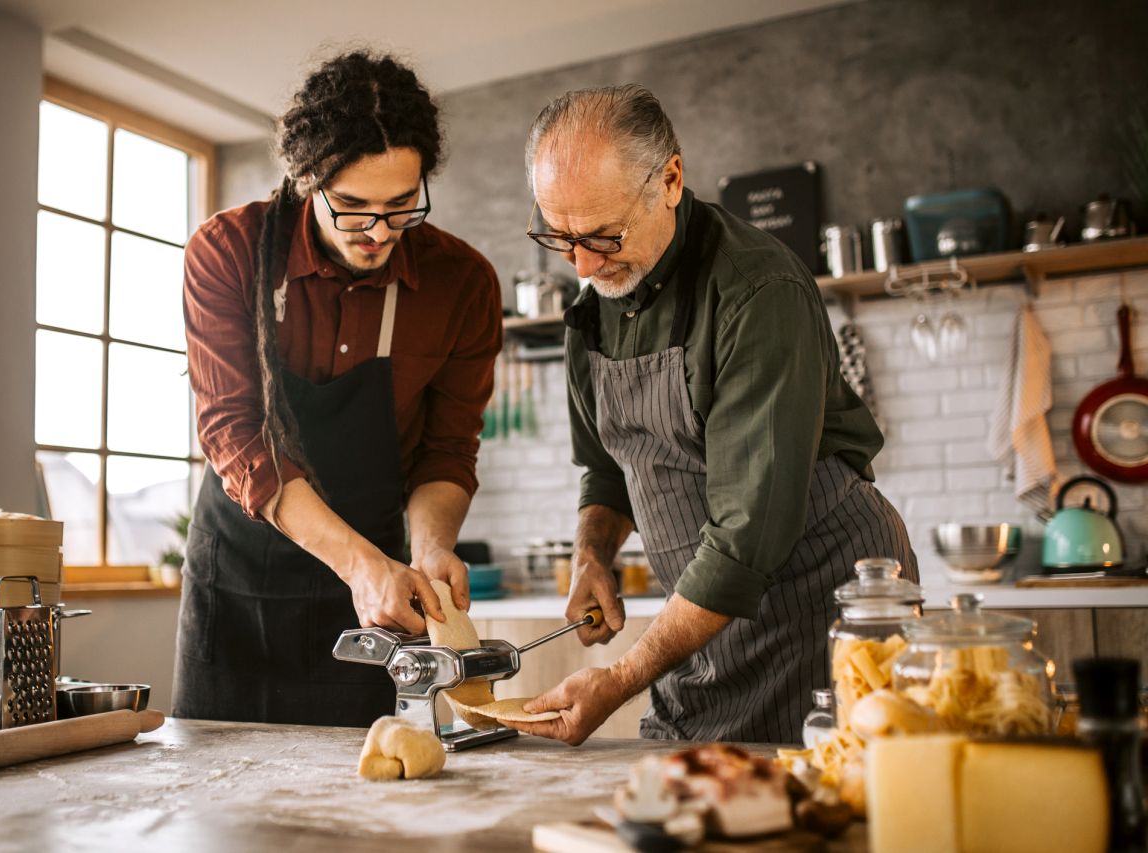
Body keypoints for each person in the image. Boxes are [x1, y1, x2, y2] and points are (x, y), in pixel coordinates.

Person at [507, 84, 917, 745]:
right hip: (699, 629)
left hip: (823, 613)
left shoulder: (756, 290)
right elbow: (607, 472)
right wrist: (593, 557)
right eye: (559, 236)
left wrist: (619, 677)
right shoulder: (592, 311)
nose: (581, 263)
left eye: (603, 235)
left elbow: (744, 539)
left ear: (670, 179)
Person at [173, 51, 502, 726]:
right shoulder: (226, 252)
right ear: (305, 181)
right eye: (351, 207)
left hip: (378, 598)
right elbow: (235, 435)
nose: (380, 231)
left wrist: (432, 548)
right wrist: (359, 564)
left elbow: (446, 451)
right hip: (240, 586)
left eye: (401, 205)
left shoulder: (462, 283)